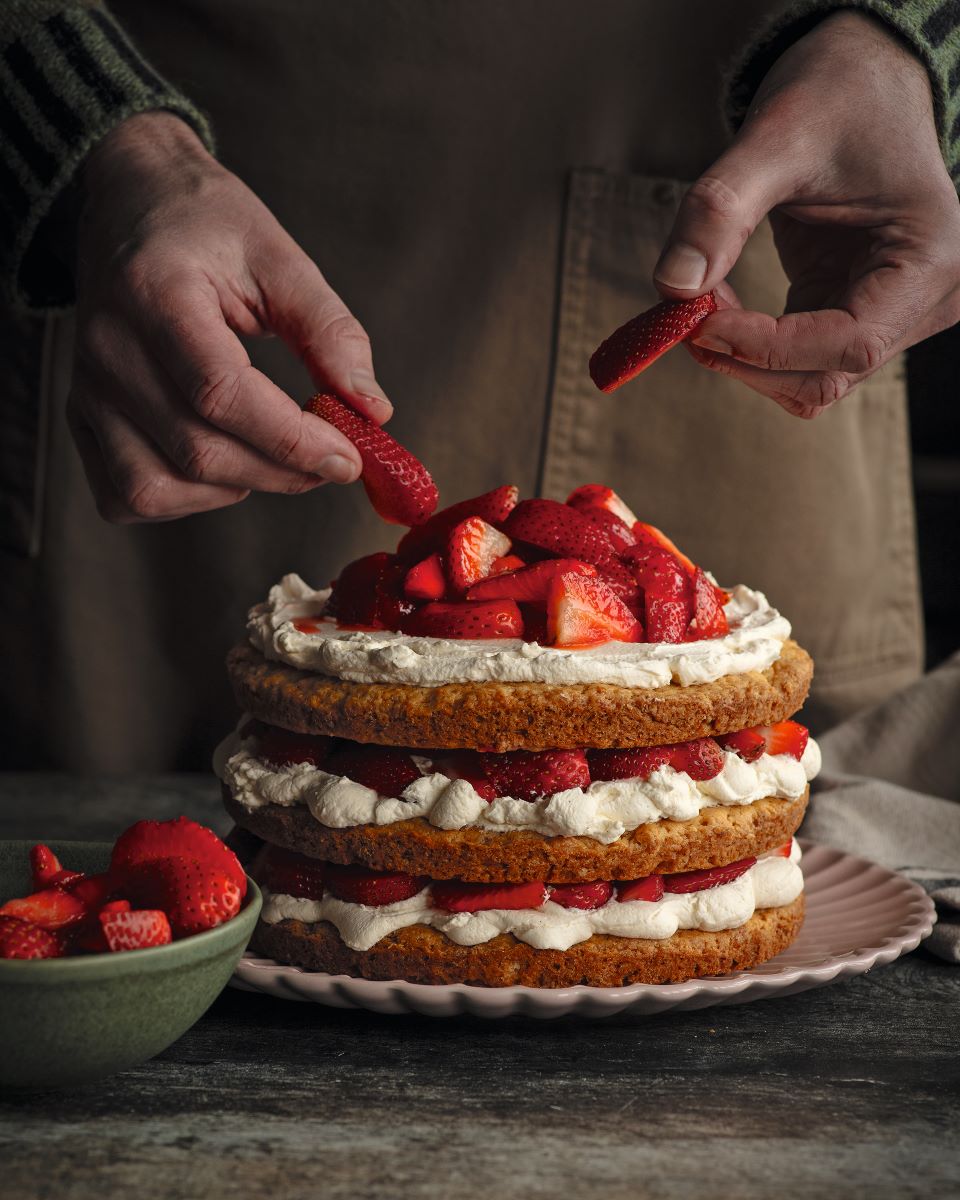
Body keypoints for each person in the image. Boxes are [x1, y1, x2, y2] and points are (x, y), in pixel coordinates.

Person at [1, 1, 959, 769]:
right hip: (201, 229)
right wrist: (97, 143)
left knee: (722, 796)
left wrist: (912, 42)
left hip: (763, 220)